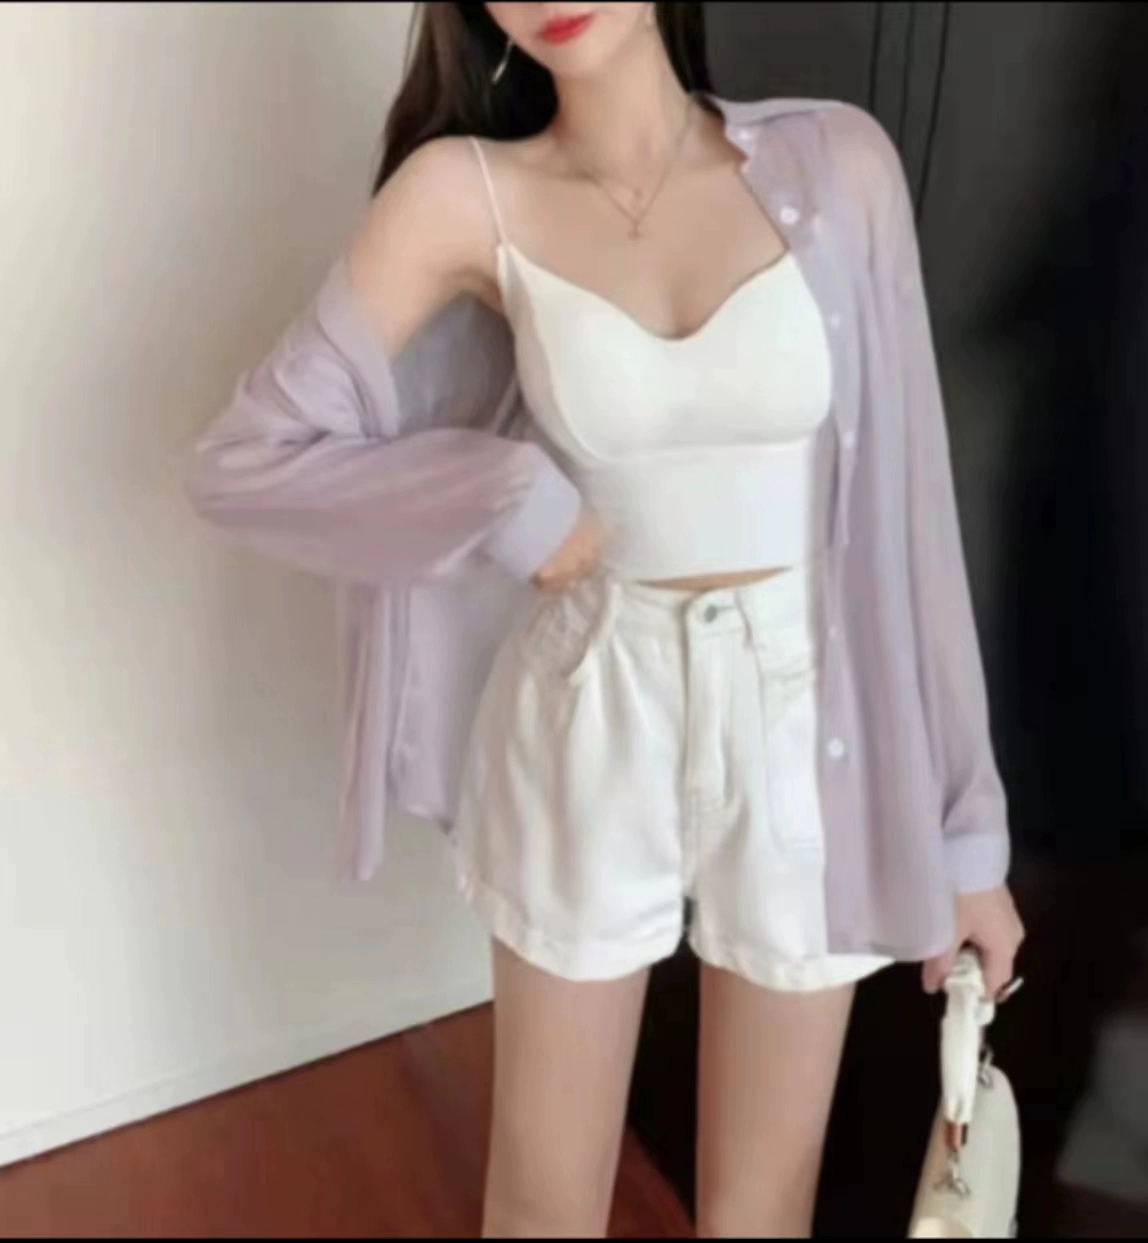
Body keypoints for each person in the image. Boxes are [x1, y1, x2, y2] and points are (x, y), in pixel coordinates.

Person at [186, 3, 1024, 1236]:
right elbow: (245, 460)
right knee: (541, 1203)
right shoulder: (461, 195)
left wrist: (968, 843)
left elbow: (911, 515)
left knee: (761, 1209)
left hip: (806, 729)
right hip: (589, 705)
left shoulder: (839, 164)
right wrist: (501, 495)